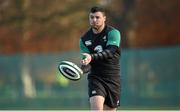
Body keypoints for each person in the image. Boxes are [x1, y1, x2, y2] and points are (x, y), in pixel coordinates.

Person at [79, 6, 121, 111]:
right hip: (96, 78)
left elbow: (110, 52)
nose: (94, 20)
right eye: (91, 17)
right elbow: (87, 64)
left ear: (104, 18)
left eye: (97, 17)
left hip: (112, 78)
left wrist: (91, 57)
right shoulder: (84, 39)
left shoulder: (113, 33)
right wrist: (82, 68)